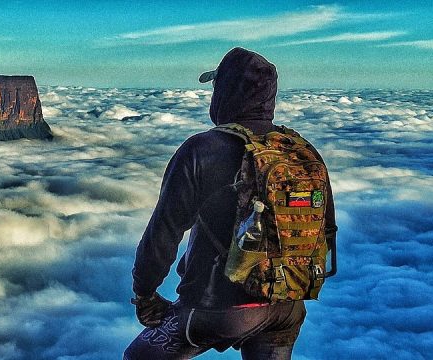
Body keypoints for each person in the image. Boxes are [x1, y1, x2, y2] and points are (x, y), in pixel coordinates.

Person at [124, 47, 337, 360]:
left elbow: (163, 235)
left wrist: (145, 294)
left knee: (138, 357)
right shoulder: (301, 151)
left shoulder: (202, 149)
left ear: (224, 92)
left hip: (217, 309)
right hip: (287, 307)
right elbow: (326, 228)